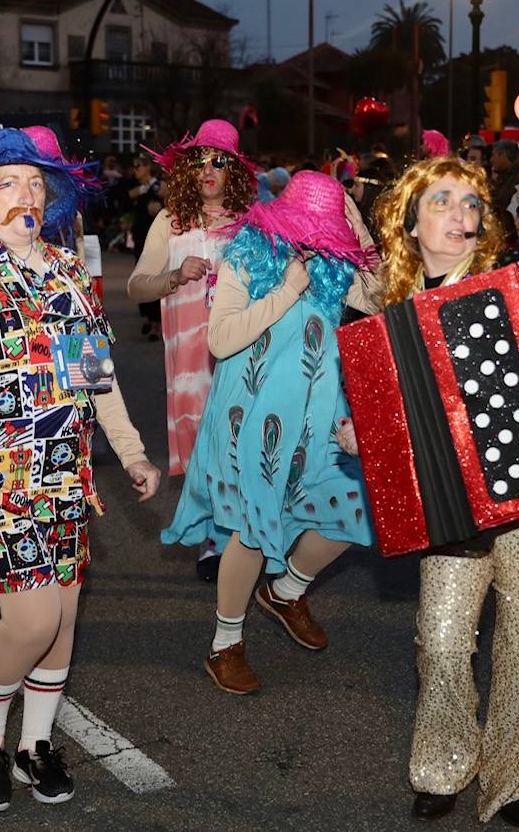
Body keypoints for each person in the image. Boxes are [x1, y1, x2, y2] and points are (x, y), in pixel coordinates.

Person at [0, 128, 161, 812]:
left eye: (37, 182)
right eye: (10, 181)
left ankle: (34, 741)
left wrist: (132, 449)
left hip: (63, 474)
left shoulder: (69, 272)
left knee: (65, 618)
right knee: (32, 618)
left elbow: (97, 376)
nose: (27, 194)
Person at [368, 156, 519, 828]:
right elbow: (387, 415)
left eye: (472, 203)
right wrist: (363, 432)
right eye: (442, 201)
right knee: (440, 640)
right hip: (452, 504)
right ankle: (443, 764)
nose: (460, 214)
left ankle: (507, 781)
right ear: (411, 223)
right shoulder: (394, 305)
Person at [160, 171, 380, 695]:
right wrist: (285, 291)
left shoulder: (338, 263)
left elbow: (384, 298)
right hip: (253, 416)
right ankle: (225, 644)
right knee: (255, 529)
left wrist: (358, 231)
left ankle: (286, 591)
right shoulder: (247, 254)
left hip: (322, 417)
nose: (313, 236)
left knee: (355, 510)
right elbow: (220, 339)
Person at [127, 120, 257, 581]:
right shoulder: (170, 220)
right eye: (200, 161)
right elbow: (136, 287)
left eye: (219, 161)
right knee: (205, 442)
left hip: (243, 352)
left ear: (234, 171)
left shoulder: (253, 222)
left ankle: (234, 538)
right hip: (190, 357)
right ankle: (212, 534)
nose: (209, 170)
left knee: (240, 442)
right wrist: (175, 275)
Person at [127, 154, 163, 339]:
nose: (135, 170)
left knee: (154, 276)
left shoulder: (160, 187)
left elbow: (161, 205)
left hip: (155, 240)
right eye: (134, 167)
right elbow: (127, 198)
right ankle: (148, 316)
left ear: (148, 167)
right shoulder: (140, 189)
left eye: (138, 166)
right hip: (140, 237)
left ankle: (157, 321)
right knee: (140, 274)